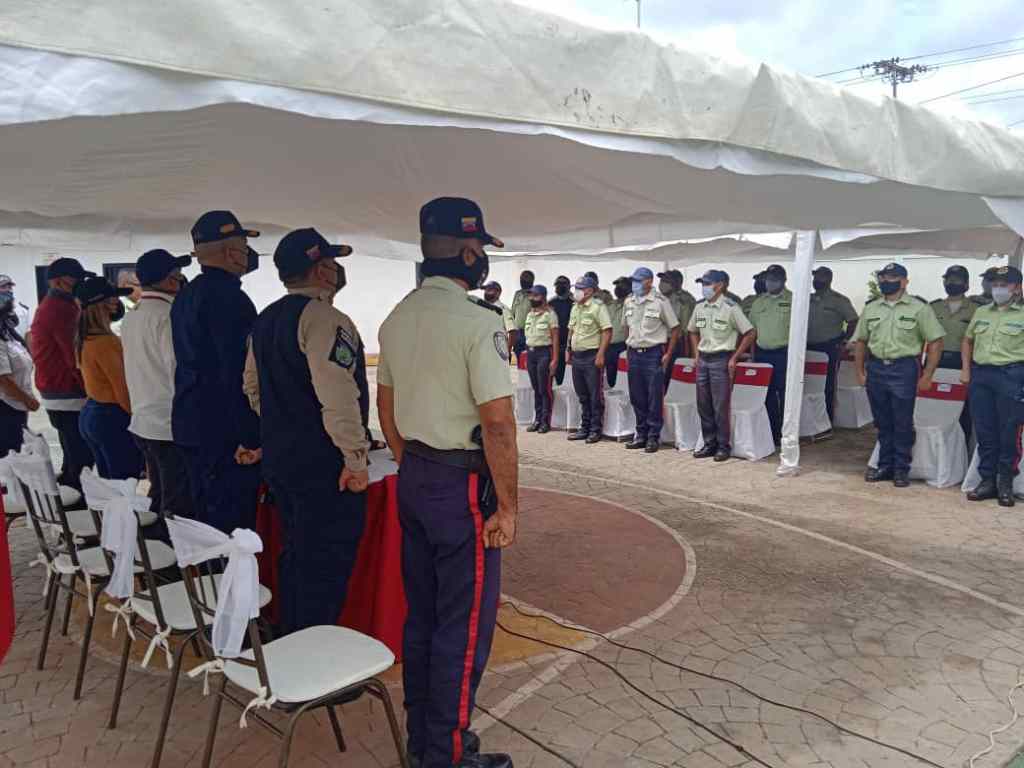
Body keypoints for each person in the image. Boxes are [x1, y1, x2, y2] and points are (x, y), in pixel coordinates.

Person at [377, 196, 517, 768]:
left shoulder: (397, 317)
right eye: (480, 247)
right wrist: (507, 507)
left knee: (425, 616)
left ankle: (425, 740)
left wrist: (416, 460)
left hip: (414, 475)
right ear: (466, 251)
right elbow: (499, 424)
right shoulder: (479, 321)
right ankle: (448, 756)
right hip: (459, 486)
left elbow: (386, 412)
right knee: (463, 628)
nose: (482, 257)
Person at [243, 228, 369, 633]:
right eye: (332, 263)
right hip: (323, 464)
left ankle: (290, 636)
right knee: (325, 564)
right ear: (323, 269)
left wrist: (281, 422)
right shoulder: (325, 318)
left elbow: (251, 386)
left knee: (295, 552)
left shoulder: (265, 319)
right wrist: (355, 457)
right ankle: (314, 659)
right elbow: (338, 395)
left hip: (282, 456)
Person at [171, 210, 262, 533]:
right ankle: (227, 584)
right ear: (230, 252)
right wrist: (248, 435)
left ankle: (208, 580)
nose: (247, 256)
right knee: (231, 533)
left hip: (191, 421)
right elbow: (235, 373)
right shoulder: (230, 300)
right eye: (243, 247)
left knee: (204, 524)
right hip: (222, 431)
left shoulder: (187, 294)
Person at [854, 263, 944, 488]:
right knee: (882, 421)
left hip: (904, 369)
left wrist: (928, 374)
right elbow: (861, 342)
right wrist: (860, 371)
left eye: (892, 277)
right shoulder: (872, 308)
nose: (886, 281)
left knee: (902, 421)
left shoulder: (919, 308)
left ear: (904, 281)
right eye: (883, 277)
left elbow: (935, 341)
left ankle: (901, 469)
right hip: (876, 368)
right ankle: (885, 465)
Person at [121, 249, 193, 518]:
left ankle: (156, 549)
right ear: (169, 279)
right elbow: (177, 370)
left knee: (159, 492)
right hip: (168, 423)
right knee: (176, 501)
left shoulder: (134, 314)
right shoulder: (168, 316)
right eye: (176, 274)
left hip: (143, 418)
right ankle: (172, 555)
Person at [961, 265, 1024, 507]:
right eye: (994, 284)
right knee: (985, 430)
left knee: (1009, 431)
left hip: (1012, 375)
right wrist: (966, 370)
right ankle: (987, 480)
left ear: (1017, 288)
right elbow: (968, 340)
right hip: (982, 376)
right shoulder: (982, 312)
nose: (997, 289)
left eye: (1003, 285)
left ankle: (1006, 482)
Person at [30, 258, 95, 490]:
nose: (79, 283)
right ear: (57, 281)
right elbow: (74, 356)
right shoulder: (62, 309)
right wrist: (93, 389)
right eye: (74, 279)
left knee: (71, 450)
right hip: (68, 391)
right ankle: (79, 507)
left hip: (55, 389)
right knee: (81, 456)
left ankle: (70, 490)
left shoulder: (53, 304)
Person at [73, 276, 142, 479]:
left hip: (92, 412)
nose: (117, 303)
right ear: (105, 303)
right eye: (113, 298)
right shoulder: (106, 342)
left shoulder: (84, 337)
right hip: (111, 418)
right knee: (124, 487)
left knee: (109, 488)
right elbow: (122, 390)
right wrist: (139, 424)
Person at [689, 270, 756, 461]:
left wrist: (734, 357)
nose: (704, 287)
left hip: (721, 360)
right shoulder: (699, 307)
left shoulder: (731, 307)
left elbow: (750, 332)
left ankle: (723, 446)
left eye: (707, 283)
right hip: (703, 359)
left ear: (720, 285)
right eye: (703, 283)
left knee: (720, 406)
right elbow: (692, 331)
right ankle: (709, 443)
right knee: (704, 404)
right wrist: (696, 354)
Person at [622, 267, 679, 453]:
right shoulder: (629, 301)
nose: (635, 284)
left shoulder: (661, 302)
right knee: (637, 396)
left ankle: (653, 437)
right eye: (634, 280)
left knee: (654, 397)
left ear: (649, 281)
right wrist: (628, 347)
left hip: (653, 354)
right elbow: (625, 327)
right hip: (634, 353)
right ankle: (641, 434)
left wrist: (668, 354)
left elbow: (675, 329)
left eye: (638, 280)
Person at [932, 265, 984, 440]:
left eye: (957, 280)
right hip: (935, 363)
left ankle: (961, 452)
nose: (951, 283)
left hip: (964, 365)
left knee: (963, 411)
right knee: (936, 405)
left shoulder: (977, 309)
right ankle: (938, 448)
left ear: (966, 284)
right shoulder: (934, 307)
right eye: (948, 279)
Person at [807, 266, 858, 423]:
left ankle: (827, 419)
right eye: (815, 278)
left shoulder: (838, 300)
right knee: (808, 384)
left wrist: (845, 341)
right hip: (807, 347)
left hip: (828, 347)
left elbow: (853, 321)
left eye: (820, 278)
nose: (816, 281)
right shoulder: (807, 298)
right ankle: (809, 419)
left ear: (829, 279)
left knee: (827, 384)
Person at [748, 264, 792, 445]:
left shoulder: (793, 300)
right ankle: (772, 433)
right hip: (762, 354)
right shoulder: (759, 302)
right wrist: (752, 356)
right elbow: (752, 331)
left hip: (784, 354)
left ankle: (785, 433)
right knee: (766, 396)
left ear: (783, 280)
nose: (770, 282)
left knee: (785, 396)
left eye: (774, 278)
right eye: (768, 278)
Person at [566, 275, 612, 443]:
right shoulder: (575, 307)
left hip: (592, 356)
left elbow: (607, 331)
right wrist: (567, 349)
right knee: (582, 394)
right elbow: (571, 330)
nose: (576, 291)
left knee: (594, 395)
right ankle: (584, 427)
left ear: (590, 291)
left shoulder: (598, 307)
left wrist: (601, 354)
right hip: (577, 356)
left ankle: (595, 429)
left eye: (580, 288)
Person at [0, 288, 37, 456]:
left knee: (17, 453)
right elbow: (3, 381)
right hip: (6, 407)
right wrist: (28, 400)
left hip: (16, 407)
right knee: (10, 459)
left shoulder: (8, 334)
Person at [523, 285, 559, 433]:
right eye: (530, 296)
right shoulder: (530, 314)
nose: (532, 298)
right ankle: (537, 419)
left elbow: (555, 337)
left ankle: (545, 421)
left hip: (544, 353)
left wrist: (555, 359)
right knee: (536, 388)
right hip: (531, 354)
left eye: (535, 296)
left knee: (545, 389)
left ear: (543, 297)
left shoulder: (550, 314)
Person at [658, 268, 695, 368]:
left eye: (666, 281)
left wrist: (689, 351)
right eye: (662, 281)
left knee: (672, 372)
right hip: (658, 341)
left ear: (676, 283)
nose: (662, 284)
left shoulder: (684, 300)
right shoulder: (659, 298)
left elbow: (687, 329)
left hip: (676, 342)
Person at [604, 277, 630, 388]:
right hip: (609, 346)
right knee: (610, 377)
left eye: (621, 286)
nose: (618, 288)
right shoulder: (610, 305)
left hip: (624, 346)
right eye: (616, 286)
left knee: (623, 379)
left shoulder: (632, 305)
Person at [548, 276, 573, 385]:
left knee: (569, 376)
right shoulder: (551, 303)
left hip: (569, 344)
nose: (559, 287)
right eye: (557, 285)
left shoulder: (574, 303)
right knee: (556, 373)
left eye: (562, 285)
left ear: (568, 286)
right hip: (554, 344)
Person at [0, 274, 32, 346]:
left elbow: (28, 335)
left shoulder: (22, 309)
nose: (8, 290)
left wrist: (31, 354)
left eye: (10, 287)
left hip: (19, 351)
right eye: (3, 287)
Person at [509, 270, 534, 356]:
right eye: (522, 278)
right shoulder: (518, 294)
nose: (523, 280)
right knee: (518, 355)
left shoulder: (535, 294)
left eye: (526, 278)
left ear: (531, 280)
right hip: (517, 332)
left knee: (528, 359)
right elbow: (512, 311)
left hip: (530, 332)